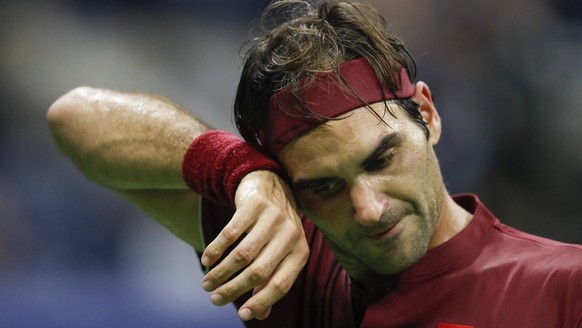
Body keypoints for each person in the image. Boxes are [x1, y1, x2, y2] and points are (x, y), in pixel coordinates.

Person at [47, 0, 582, 327]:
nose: (368, 209)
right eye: (324, 186)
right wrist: (240, 171)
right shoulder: (295, 265)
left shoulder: (565, 287)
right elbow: (73, 119)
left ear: (427, 113)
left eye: (382, 157)